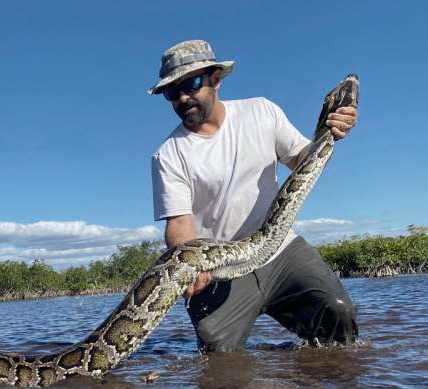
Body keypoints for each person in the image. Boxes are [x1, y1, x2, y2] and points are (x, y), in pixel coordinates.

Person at [148, 40, 358, 352]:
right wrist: (192, 264)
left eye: (191, 84)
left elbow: (303, 161)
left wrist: (331, 132)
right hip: (219, 267)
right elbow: (179, 224)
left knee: (338, 313)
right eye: (171, 92)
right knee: (217, 354)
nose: (182, 97)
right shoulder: (167, 154)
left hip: (281, 250)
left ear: (216, 79)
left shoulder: (261, 111)